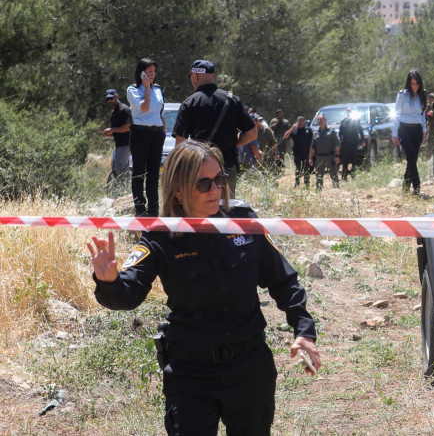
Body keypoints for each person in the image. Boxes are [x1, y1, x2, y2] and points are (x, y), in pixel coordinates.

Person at [86, 140, 320, 435]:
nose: (215, 190)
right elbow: (129, 293)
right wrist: (109, 280)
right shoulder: (161, 236)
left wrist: (304, 331)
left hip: (249, 368)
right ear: (178, 190)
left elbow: (284, 281)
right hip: (191, 373)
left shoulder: (243, 224)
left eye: (220, 180)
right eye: (204, 183)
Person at [173, 59, 258, 198]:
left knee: (201, 210)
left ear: (195, 76)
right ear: (213, 76)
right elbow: (252, 134)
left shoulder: (190, 103)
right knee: (226, 211)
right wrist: (233, 144)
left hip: (200, 168)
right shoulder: (232, 100)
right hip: (226, 167)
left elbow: (180, 143)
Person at [127, 58, 166, 217]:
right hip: (140, 133)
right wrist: (147, 87)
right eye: (149, 71)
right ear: (141, 72)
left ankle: (154, 209)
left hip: (156, 133)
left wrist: (163, 130)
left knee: (153, 172)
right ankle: (140, 208)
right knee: (139, 172)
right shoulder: (133, 89)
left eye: (154, 71)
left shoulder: (157, 89)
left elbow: (159, 111)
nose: (152, 74)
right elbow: (144, 106)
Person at [391, 70, 428, 193]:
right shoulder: (402, 95)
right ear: (409, 83)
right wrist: (394, 133)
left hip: (417, 129)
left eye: (417, 83)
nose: (415, 86)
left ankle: (405, 186)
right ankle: (417, 187)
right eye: (412, 83)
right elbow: (396, 114)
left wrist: (423, 130)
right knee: (411, 157)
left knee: (413, 159)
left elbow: (422, 116)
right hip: (404, 129)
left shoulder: (423, 95)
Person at [102, 88, 132, 184]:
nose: (110, 100)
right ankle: (121, 188)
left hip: (127, 143)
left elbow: (128, 127)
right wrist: (111, 134)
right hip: (119, 144)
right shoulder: (114, 112)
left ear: (117, 97)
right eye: (108, 99)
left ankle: (130, 186)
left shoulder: (124, 109)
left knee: (120, 166)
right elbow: (119, 130)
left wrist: (111, 130)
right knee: (115, 167)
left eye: (112, 98)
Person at [309, 113, 340, 190]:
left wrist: (337, 156)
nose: (320, 121)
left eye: (321, 119)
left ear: (325, 120)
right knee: (318, 175)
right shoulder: (315, 133)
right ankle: (319, 190)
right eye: (318, 119)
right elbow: (313, 147)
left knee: (333, 173)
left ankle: (336, 188)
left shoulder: (331, 131)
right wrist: (310, 158)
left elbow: (337, 144)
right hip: (319, 157)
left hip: (331, 156)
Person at [283, 116, 313, 188]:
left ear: (304, 122)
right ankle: (297, 182)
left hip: (306, 152)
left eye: (302, 121)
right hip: (297, 153)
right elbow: (285, 136)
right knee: (298, 168)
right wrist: (292, 128)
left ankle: (307, 183)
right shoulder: (294, 130)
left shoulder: (308, 130)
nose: (300, 123)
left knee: (306, 168)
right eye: (299, 121)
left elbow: (312, 141)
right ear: (297, 122)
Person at [338, 106, 363, 181]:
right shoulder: (343, 121)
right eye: (347, 111)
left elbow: (360, 130)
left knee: (354, 160)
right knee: (345, 160)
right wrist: (340, 141)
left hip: (354, 142)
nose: (349, 113)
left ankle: (353, 175)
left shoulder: (356, 120)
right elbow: (340, 132)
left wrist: (362, 140)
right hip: (345, 143)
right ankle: (344, 176)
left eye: (350, 111)